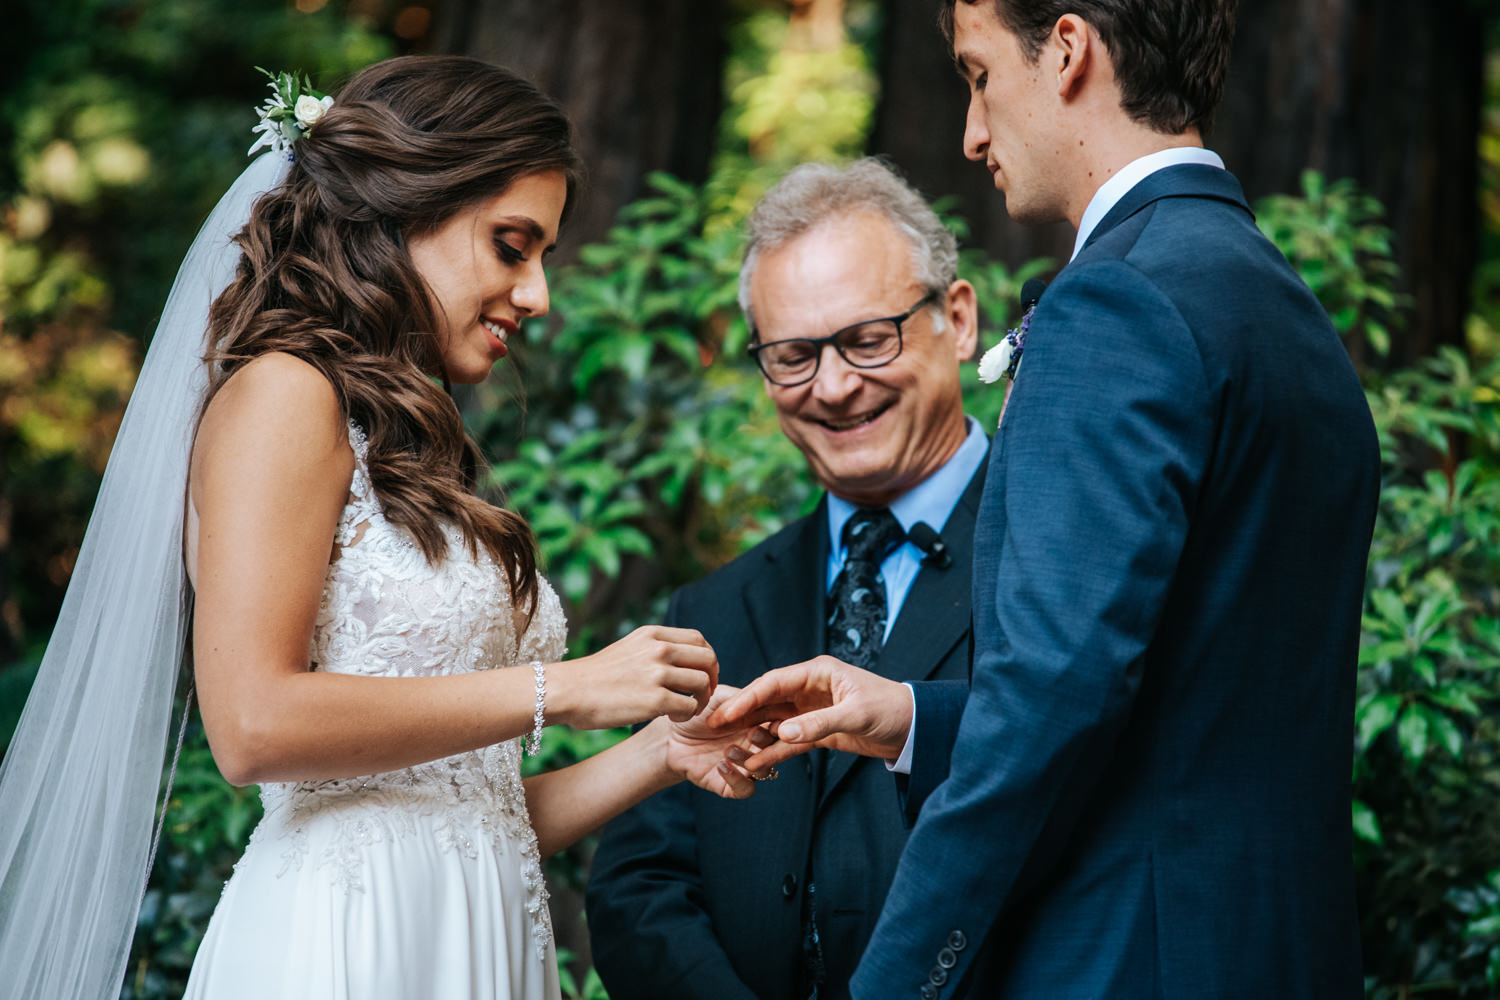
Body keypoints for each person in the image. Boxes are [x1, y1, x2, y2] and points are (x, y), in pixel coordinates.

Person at [0, 56, 770, 1000]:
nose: (538, 294)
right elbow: (250, 725)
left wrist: (661, 752)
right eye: (512, 247)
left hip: (469, 943)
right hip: (343, 949)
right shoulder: (283, 396)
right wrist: (565, 687)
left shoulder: (397, 442)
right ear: (404, 211)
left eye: (542, 257)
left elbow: (468, 818)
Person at [716, 1, 1381, 997]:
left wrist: (893, 983)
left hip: (1127, 961)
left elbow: (1051, 703)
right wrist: (910, 716)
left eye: (980, 75)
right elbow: (1190, 702)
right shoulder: (1276, 301)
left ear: (1068, 50)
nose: (972, 132)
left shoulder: (1115, 302)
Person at [585, 158, 987, 1000]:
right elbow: (639, 887)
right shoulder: (713, 608)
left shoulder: (1059, 555)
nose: (833, 388)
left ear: (957, 319)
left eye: (868, 340)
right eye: (794, 356)